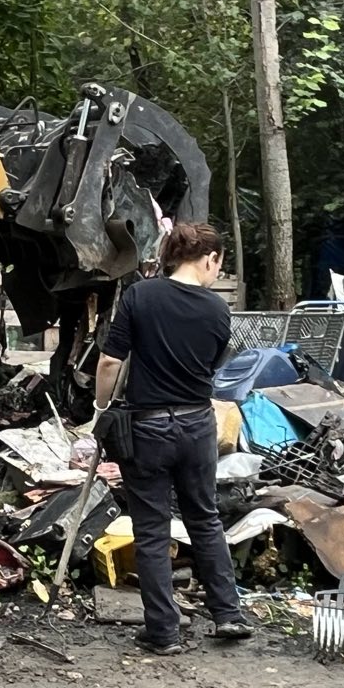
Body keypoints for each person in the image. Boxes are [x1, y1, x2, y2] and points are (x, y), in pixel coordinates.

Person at [92, 221, 252, 654]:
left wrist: (102, 407)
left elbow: (110, 362)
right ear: (209, 258)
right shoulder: (218, 310)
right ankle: (228, 614)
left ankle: (163, 632)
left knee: (151, 529)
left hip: (147, 427)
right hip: (198, 423)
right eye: (219, 263)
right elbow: (213, 363)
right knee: (205, 517)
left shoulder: (140, 296)